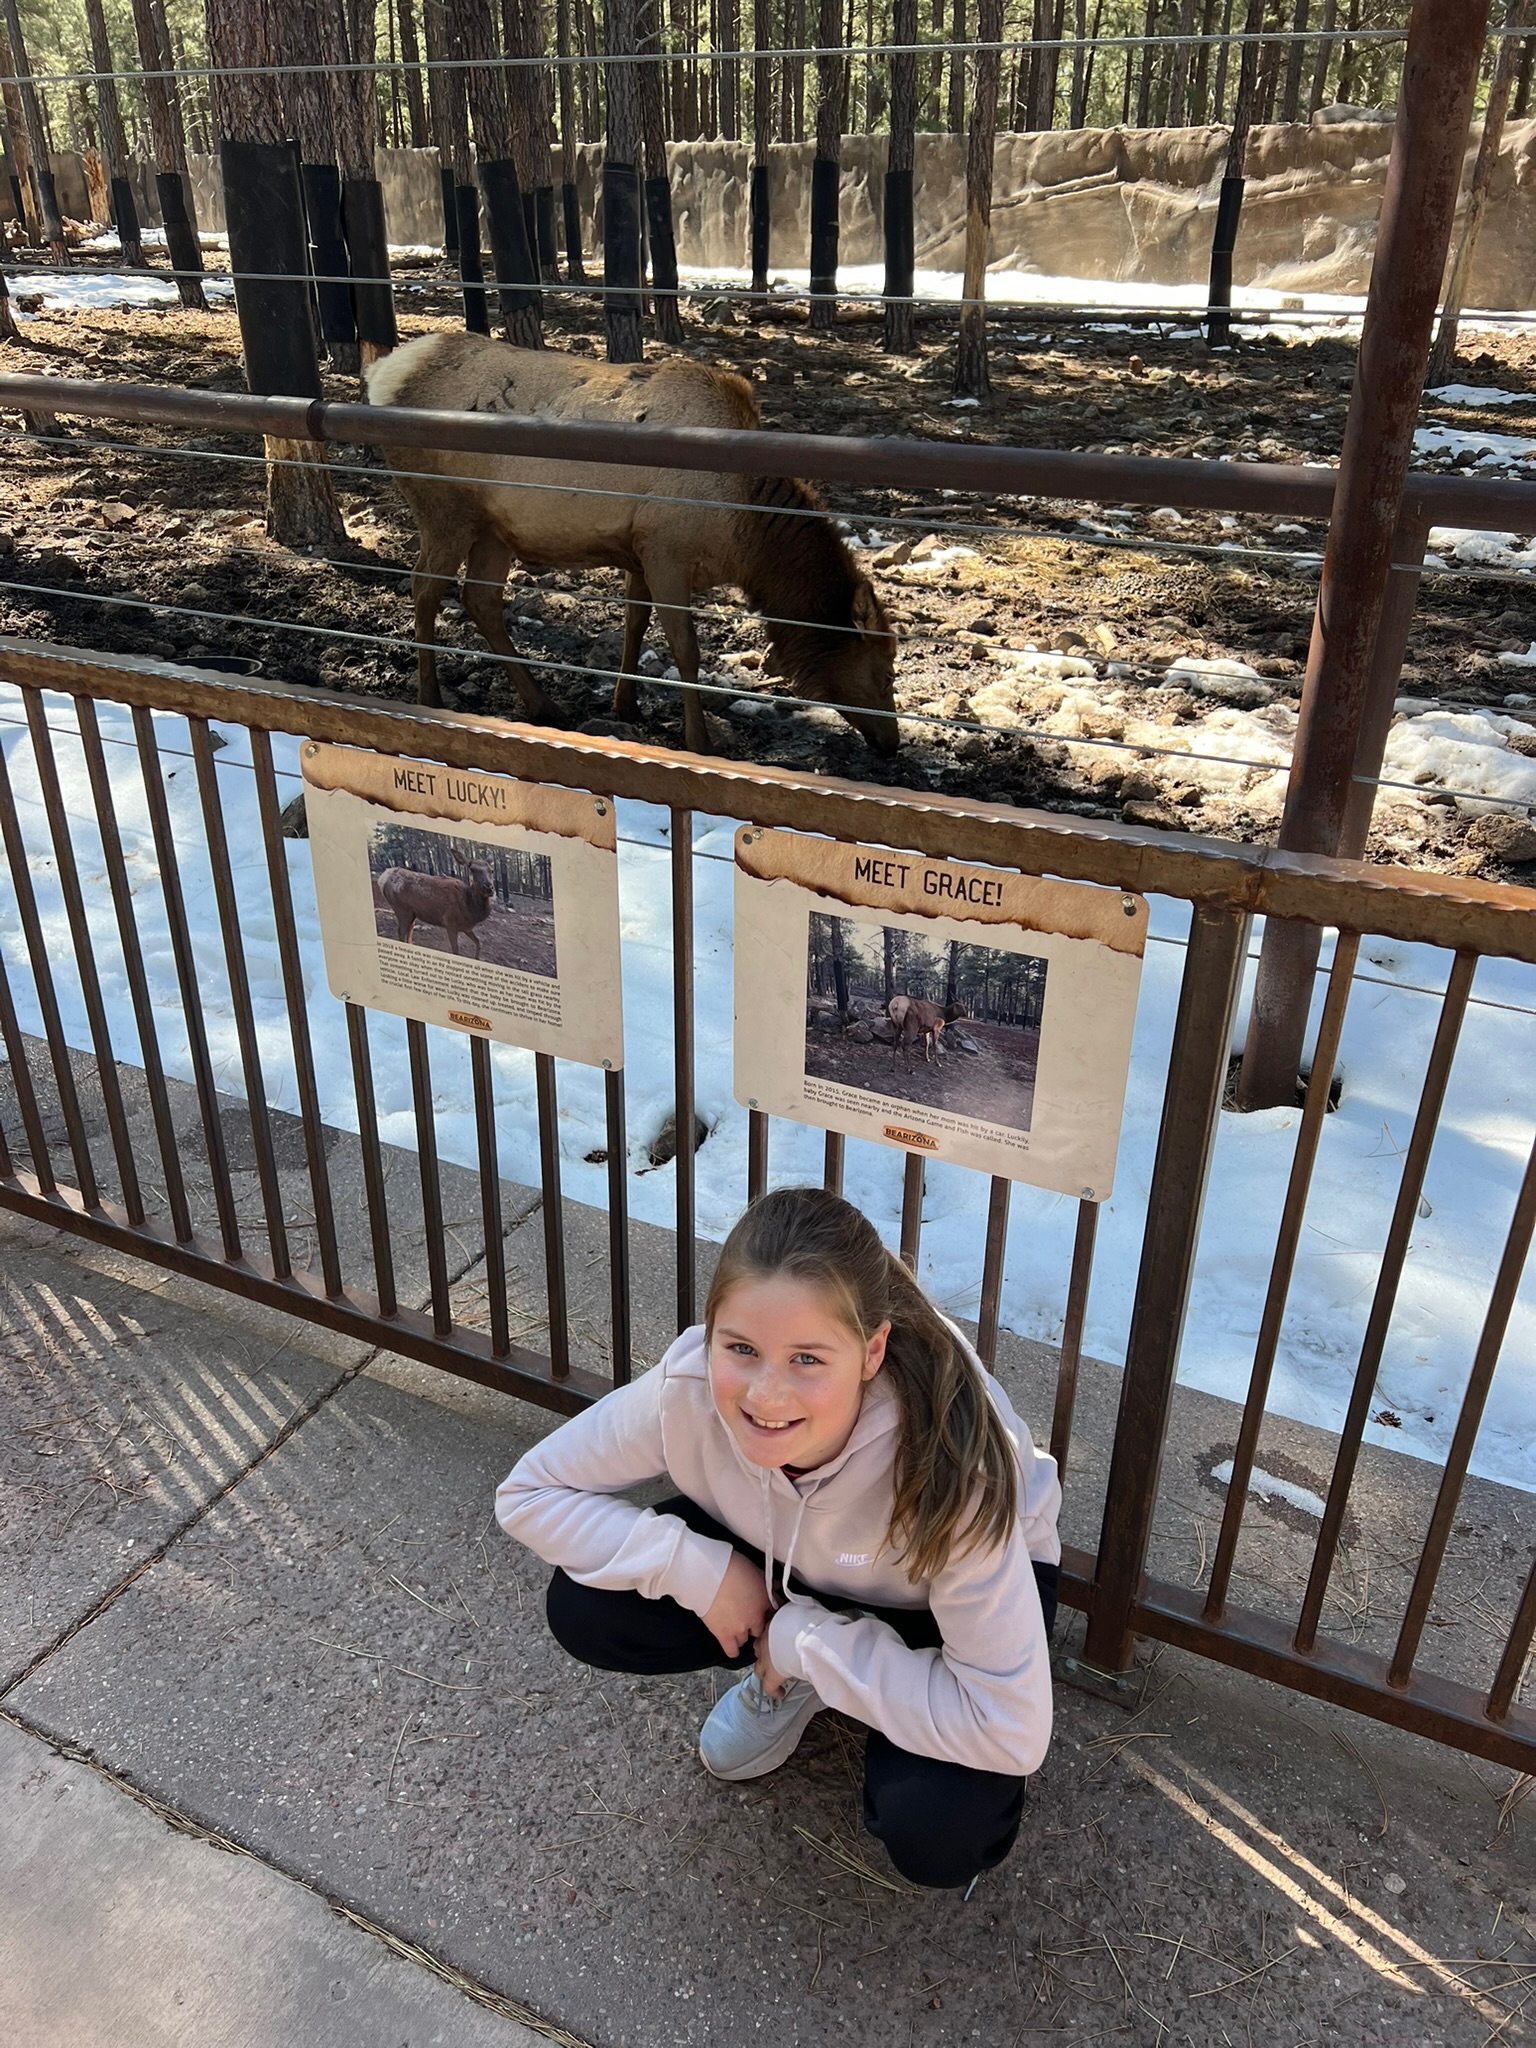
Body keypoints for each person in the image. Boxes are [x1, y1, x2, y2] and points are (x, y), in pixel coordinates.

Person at [495, 1185, 1061, 1891]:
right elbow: (527, 1492)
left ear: (872, 1351)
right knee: (588, 1607)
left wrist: (806, 1642)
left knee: (938, 1826)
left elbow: (1011, 1727)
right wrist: (696, 1570)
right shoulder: (688, 1385)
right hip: (790, 1555)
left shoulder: (951, 1469)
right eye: (742, 1348)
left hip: (930, 1602)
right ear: (711, 1330)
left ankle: (816, 1666)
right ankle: (808, 1671)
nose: (765, 1395)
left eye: (807, 1359)